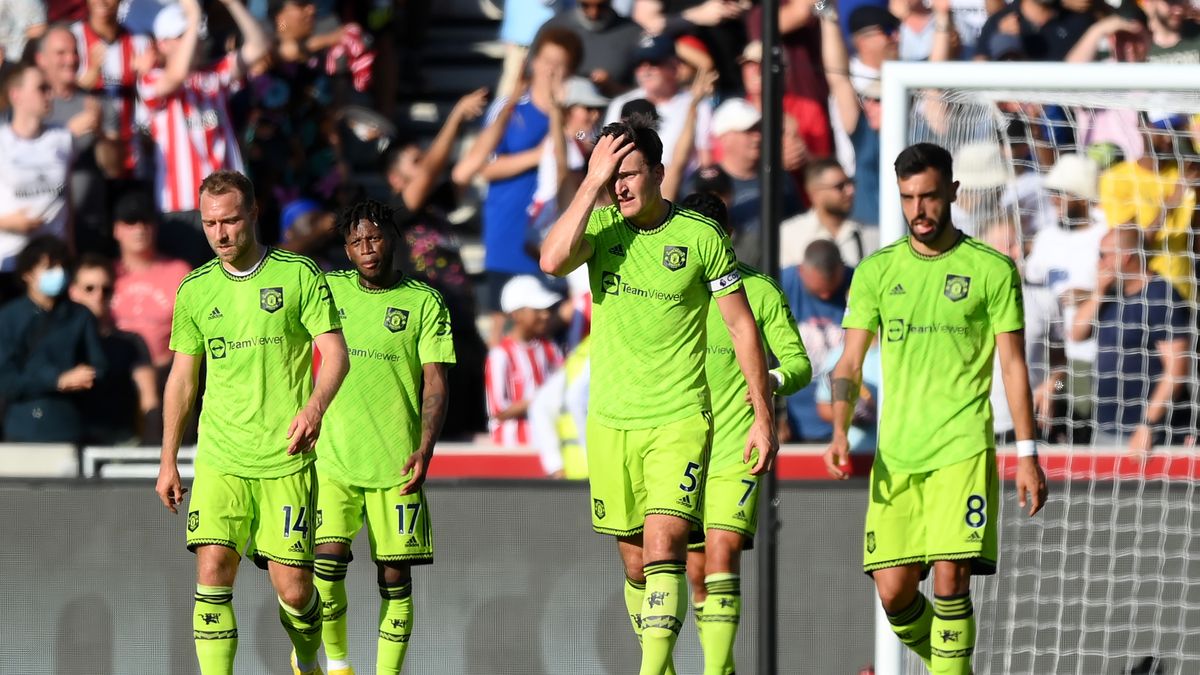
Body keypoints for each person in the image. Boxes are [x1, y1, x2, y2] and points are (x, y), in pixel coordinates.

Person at [539, 115, 777, 675]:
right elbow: (550, 261)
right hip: (611, 422)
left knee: (666, 546)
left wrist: (762, 416)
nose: (618, 185)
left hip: (678, 419)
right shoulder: (599, 232)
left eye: (627, 173)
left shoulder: (700, 238)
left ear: (660, 173)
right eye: (609, 175)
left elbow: (743, 328)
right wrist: (588, 184)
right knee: (636, 565)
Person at [824, 142, 1048, 675]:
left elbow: (1013, 366)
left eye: (928, 196)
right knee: (895, 594)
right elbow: (849, 362)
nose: (918, 210)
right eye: (907, 198)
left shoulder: (991, 269)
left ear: (952, 192)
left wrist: (1027, 452)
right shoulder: (876, 272)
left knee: (951, 578)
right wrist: (838, 429)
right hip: (897, 454)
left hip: (962, 448)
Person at [154, 170, 349, 675]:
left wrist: (315, 408)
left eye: (231, 220)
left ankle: (308, 657)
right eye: (210, 223)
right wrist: (168, 460)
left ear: (254, 214)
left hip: (283, 459)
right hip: (221, 457)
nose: (221, 234)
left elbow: (336, 353)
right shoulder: (195, 290)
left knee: (295, 590)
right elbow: (182, 378)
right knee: (213, 569)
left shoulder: (299, 275)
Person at [311, 200, 455, 675]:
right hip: (333, 458)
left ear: (391, 236)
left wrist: (426, 445)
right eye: (355, 242)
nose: (366, 249)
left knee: (395, 577)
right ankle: (338, 665)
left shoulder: (424, 301)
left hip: (396, 461)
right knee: (326, 567)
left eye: (373, 237)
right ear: (346, 251)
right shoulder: (327, 291)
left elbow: (435, 382)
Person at [677, 190, 811, 675]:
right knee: (694, 574)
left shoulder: (759, 291)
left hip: (737, 446)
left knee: (722, 550)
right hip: (681, 446)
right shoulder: (668, 292)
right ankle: (723, 665)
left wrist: (766, 384)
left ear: (726, 237)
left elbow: (798, 363)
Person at [452, 27, 581, 346]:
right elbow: (483, 168)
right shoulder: (511, 109)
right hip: (508, 233)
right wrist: (540, 154)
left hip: (552, 238)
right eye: (546, 61)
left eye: (560, 64)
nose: (551, 70)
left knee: (551, 330)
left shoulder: (575, 114)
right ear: (534, 62)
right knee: (504, 332)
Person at [137, 0, 269, 266]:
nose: (195, 40)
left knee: (246, 280)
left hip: (233, 203)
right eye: (184, 36)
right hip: (182, 207)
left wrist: (233, 5)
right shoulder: (152, 80)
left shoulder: (215, 74)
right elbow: (175, 77)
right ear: (163, 43)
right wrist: (194, 13)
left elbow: (260, 47)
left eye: (197, 34)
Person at [1070, 226, 1191, 454]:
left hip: (1149, 434)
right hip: (1107, 427)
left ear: (1124, 257)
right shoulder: (1112, 294)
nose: (1099, 262)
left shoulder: (1161, 296)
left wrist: (1148, 424)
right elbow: (1076, 334)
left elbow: (1176, 369)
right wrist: (1098, 293)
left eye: (1103, 255)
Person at [0, 236, 106, 443]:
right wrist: (57, 380)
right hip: (21, 429)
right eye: (49, 267)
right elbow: (5, 380)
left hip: (69, 426)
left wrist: (85, 377)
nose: (58, 273)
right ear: (27, 274)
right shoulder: (8, 318)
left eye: (61, 266)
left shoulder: (80, 315)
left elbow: (98, 367)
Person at [701, 97, 802, 267]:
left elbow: (797, 225)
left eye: (759, 129)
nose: (757, 136)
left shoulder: (780, 178)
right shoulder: (706, 183)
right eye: (748, 131)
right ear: (724, 137)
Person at [69, 253, 158, 445]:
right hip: (70, 441)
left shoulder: (131, 342)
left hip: (122, 444)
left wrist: (149, 447)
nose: (98, 295)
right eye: (89, 288)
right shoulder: (60, 341)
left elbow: (148, 401)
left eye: (106, 289)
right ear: (73, 291)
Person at [0, 63, 74, 280]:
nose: (49, 94)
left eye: (49, 88)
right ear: (16, 95)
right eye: (42, 88)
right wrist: (8, 222)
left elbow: (68, 198)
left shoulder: (62, 138)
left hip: (53, 263)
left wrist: (71, 248)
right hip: (11, 260)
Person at [110, 189, 192, 371]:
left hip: (166, 372)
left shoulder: (179, 272)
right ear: (116, 230)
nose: (139, 229)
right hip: (116, 376)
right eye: (131, 222)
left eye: (146, 221)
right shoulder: (106, 274)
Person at [779, 240, 852, 442]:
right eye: (819, 291)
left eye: (831, 289)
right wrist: (774, 413)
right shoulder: (782, 285)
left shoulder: (858, 283)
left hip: (849, 426)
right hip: (791, 425)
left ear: (842, 268)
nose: (826, 295)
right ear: (802, 271)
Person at [484, 275, 564, 447]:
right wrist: (543, 400)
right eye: (537, 310)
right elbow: (499, 410)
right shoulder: (501, 355)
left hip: (549, 446)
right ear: (517, 314)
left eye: (547, 310)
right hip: (513, 449)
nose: (545, 315)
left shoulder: (550, 348)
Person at [537, 0, 644, 95]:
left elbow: (645, 91)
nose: (594, 13)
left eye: (601, 6)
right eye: (585, 5)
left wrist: (614, 89)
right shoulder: (551, 30)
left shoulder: (634, 35)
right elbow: (531, 79)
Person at [779, 158, 872, 268]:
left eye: (850, 183)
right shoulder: (789, 234)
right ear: (815, 193)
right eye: (840, 186)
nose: (850, 191)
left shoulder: (869, 234)